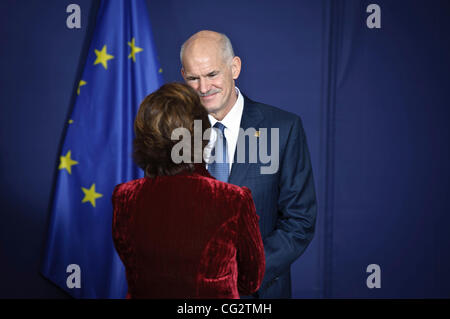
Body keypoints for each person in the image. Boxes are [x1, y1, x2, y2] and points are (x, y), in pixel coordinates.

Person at [180, 30, 318, 298]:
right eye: (193, 78)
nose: (204, 88)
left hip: (257, 293)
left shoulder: (283, 128)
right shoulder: (176, 132)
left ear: (234, 68)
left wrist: (240, 271)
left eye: (211, 74)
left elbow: (300, 221)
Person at [111, 82, 265, 299]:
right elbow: (251, 281)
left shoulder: (124, 197)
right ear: (203, 134)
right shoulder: (233, 200)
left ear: (146, 138)